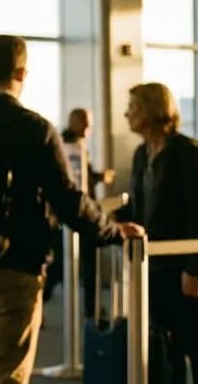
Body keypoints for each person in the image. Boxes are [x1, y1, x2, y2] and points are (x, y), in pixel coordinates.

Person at [0, 35, 143, 384]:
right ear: (22, 73)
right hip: (16, 269)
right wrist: (112, 230)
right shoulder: (36, 129)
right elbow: (67, 198)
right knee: (7, 374)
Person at [117, 82, 198, 383]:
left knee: (196, 344)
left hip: (183, 268)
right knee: (165, 344)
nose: (126, 114)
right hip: (152, 266)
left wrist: (194, 270)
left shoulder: (187, 153)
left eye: (133, 108)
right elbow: (138, 206)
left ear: (152, 109)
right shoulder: (141, 154)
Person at [44, 108, 117, 307]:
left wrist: (99, 177)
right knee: (64, 263)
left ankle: (91, 307)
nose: (88, 128)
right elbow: (71, 182)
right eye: (84, 123)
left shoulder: (75, 145)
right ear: (73, 122)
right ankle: (88, 307)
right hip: (74, 211)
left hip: (77, 209)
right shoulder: (67, 147)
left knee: (78, 262)